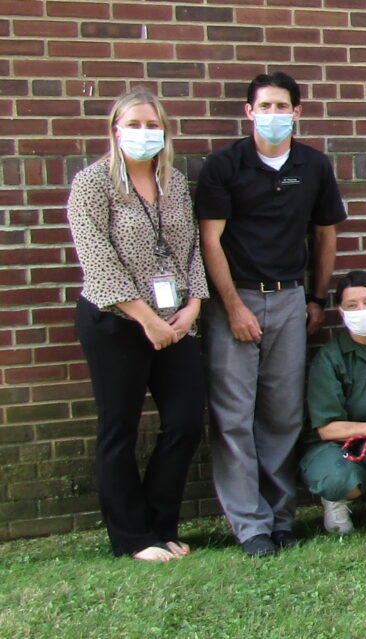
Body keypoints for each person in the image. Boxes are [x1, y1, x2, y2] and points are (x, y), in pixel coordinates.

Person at [195, 72, 347, 557]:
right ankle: (250, 524)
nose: (275, 115)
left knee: (283, 414)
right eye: (266, 106)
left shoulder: (314, 166)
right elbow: (210, 240)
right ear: (249, 111)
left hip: (290, 300)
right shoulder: (224, 166)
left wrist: (317, 299)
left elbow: (325, 236)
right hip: (234, 300)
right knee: (234, 416)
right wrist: (234, 307)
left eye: (284, 106)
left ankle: (282, 517)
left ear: (298, 112)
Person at [67, 88, 207, 562]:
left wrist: (192, 307)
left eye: (153, 125)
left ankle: (160, 525)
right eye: (135, 124)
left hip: (175, 322)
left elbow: (191, 250)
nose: (144, 133)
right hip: (116, 323)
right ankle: (131, 537)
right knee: (119, 429)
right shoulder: (92, 185)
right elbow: (98, 259)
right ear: (115, 130)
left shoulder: (175, 184)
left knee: (186, 421)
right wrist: (147, 319)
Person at [301, 272, 366, 535]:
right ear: (341, 313)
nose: (362, 310)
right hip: (335, 446)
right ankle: (336, 501)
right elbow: (327, 430)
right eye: (352, 305)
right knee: (341, 481)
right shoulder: (330, 358)